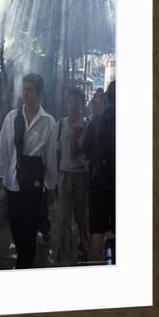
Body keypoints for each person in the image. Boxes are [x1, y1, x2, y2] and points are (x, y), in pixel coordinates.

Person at [0, 73, 57, 269]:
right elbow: (3, 147)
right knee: (15, 223)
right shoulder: (12, 118)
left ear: (39, 94)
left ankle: (24, 266)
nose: (25, 93)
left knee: (29, 228)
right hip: (12, 181)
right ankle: (23, 259)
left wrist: (51, 186)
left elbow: (51, 156)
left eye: (30, 90)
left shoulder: (48, 122)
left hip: (34, 183)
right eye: (24, 89)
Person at [82, 80, 116, 263]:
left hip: (98, 183)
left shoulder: (96, 123)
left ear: (107, 98)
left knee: (97, 231)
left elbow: (84, 148)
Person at [56, 87, 90, 266]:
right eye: (70, 102)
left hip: (81, 177)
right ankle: (64, 256)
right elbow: (57, 152)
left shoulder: (86, 125)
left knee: (81, 218)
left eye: (76, 102)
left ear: (82, 105)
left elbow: (80, 151)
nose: (72, 106)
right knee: (63, 219)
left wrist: (77, 133)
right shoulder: (60, 124)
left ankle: (84, 250)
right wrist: (55, 178)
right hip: (64, 175)